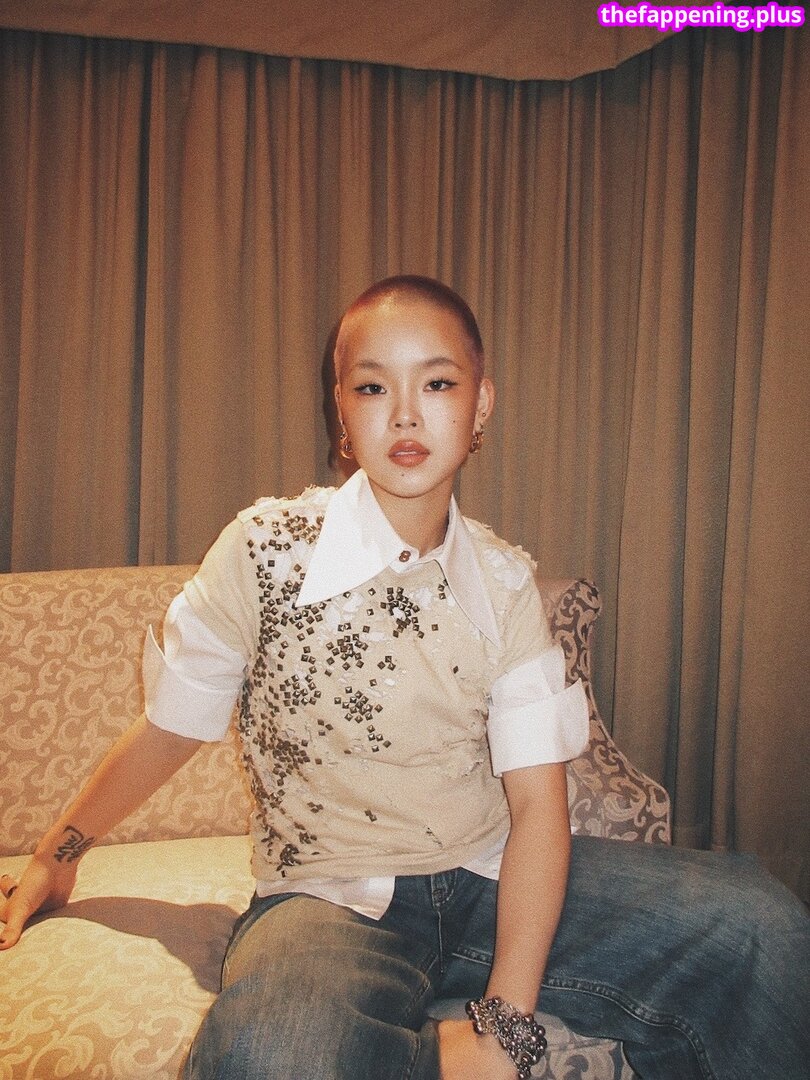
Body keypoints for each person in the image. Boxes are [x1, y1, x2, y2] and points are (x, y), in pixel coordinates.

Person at [1, 276, 807, 1080]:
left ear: (481, 405)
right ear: (342, 413)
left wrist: (504, 1023)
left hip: (493, 878)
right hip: (330, 900)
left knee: (758, 923)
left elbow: (537, 805)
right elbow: (172, 726)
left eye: (439, 384)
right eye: (373, 387)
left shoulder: (504, 583)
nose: (407, 415)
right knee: (270, 1055)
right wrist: (58, 852)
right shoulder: (264, 550)